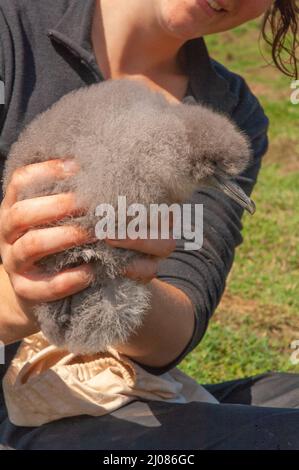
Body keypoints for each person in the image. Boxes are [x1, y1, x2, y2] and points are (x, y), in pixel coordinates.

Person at [0, 0, 298, 450]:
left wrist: (120, 273)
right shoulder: (10, 27)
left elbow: (173, 330)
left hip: (111, 387)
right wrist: (24, 295)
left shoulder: (226, 112)